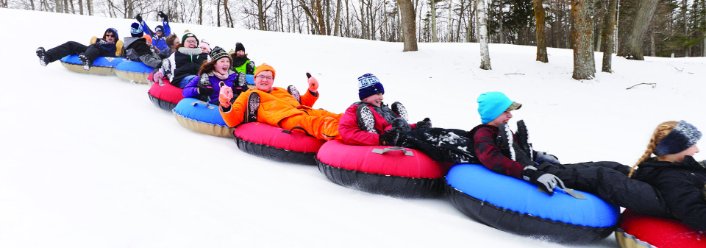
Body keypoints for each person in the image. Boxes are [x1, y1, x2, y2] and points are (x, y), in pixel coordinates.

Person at [469, 91, 669, 217]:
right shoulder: (483, 134)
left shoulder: (504, 131)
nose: (510, 115)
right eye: (505, 111)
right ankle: (659, 199)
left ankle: (654, 180)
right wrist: (530, 172)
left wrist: (538, 155)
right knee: (599, 175)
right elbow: (492, 159)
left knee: (609, 165)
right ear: (493, 113)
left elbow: (519, 151)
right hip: (537, 174)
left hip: (543, 168)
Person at [338, 73, 472, 163]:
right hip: (393, 140)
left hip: (402, 133)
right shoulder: (355, 109)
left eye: (382, 93)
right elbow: (346, 132)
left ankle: (469, 137)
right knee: (428, 141)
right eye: (378, 93)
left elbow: (395, 124)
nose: (382, 97)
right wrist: (381, 139)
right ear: (365, 96)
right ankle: (464, 154)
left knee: (434, 132)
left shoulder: (384, 108)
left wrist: (417, 125)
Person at [218, 64, 341, 140]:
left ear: (273, 80)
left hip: (301, 110)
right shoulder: (248, 94)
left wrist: (312, 91)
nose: (265, 80)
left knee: (327, 114)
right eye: (261, 76)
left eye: (269, 77)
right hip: (284, 118)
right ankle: (344, 133)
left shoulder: (280, 90)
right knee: (315, 123)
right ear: (255, 79)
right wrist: (225, 103)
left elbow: (300, 103)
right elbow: (233, 120)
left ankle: (356, 119)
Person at [630, 121, 705, 230]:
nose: (697, 150)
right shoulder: (671, 178)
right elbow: (692, 211)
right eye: (692, 145)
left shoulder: (682, 167)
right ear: (677, 148)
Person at [182, 46, 248, 104]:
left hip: (232, 103)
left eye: (228, 61)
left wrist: (242, 88)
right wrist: (199, 90)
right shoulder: (205, 76)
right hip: (214, 107)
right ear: (214, 64)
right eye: (222, 61)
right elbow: (185, 91)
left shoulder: (233, 76)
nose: (226, 64)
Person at [36, 28, 123, 70]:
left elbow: (120, 54)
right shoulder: (99, 41)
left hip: (103, 52)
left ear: (116, 37)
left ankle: (87, 61)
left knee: (95, 46)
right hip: (91, 50)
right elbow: (92, 47)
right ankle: (46, 57)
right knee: (71, 44)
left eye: (112, 35)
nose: (110, 37)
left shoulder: (115, 45)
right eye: (108, 35)